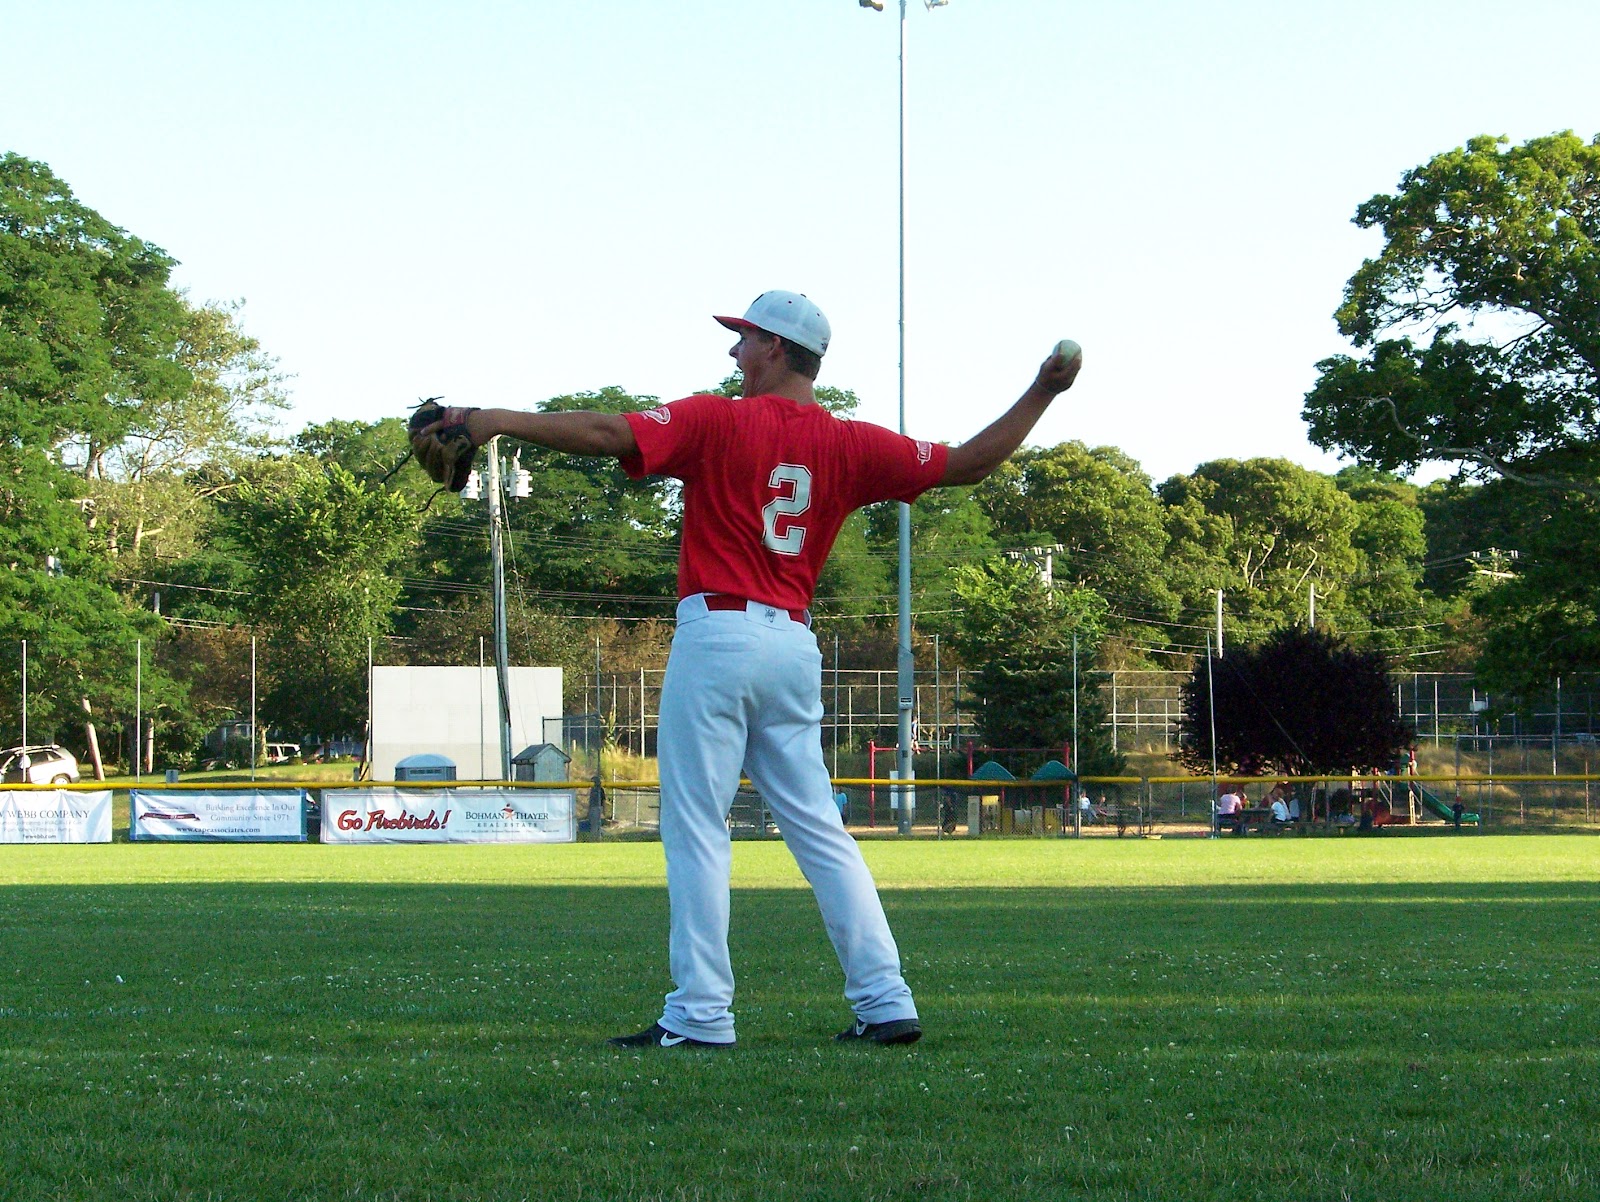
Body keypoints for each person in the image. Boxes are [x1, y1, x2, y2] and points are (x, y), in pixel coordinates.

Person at [420, 290, 1081, 1049]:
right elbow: (966, 464)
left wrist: (493, 420)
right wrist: (1044, 391)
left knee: (697, 828)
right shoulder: (853, 442)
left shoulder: (717, 419)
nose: (733, 353)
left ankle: (701, 1015)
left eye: (743, 340)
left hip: (720, 635)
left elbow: (609, 432)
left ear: (775, 347)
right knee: (822, 832)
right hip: (792, 645)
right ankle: (885, 1001)